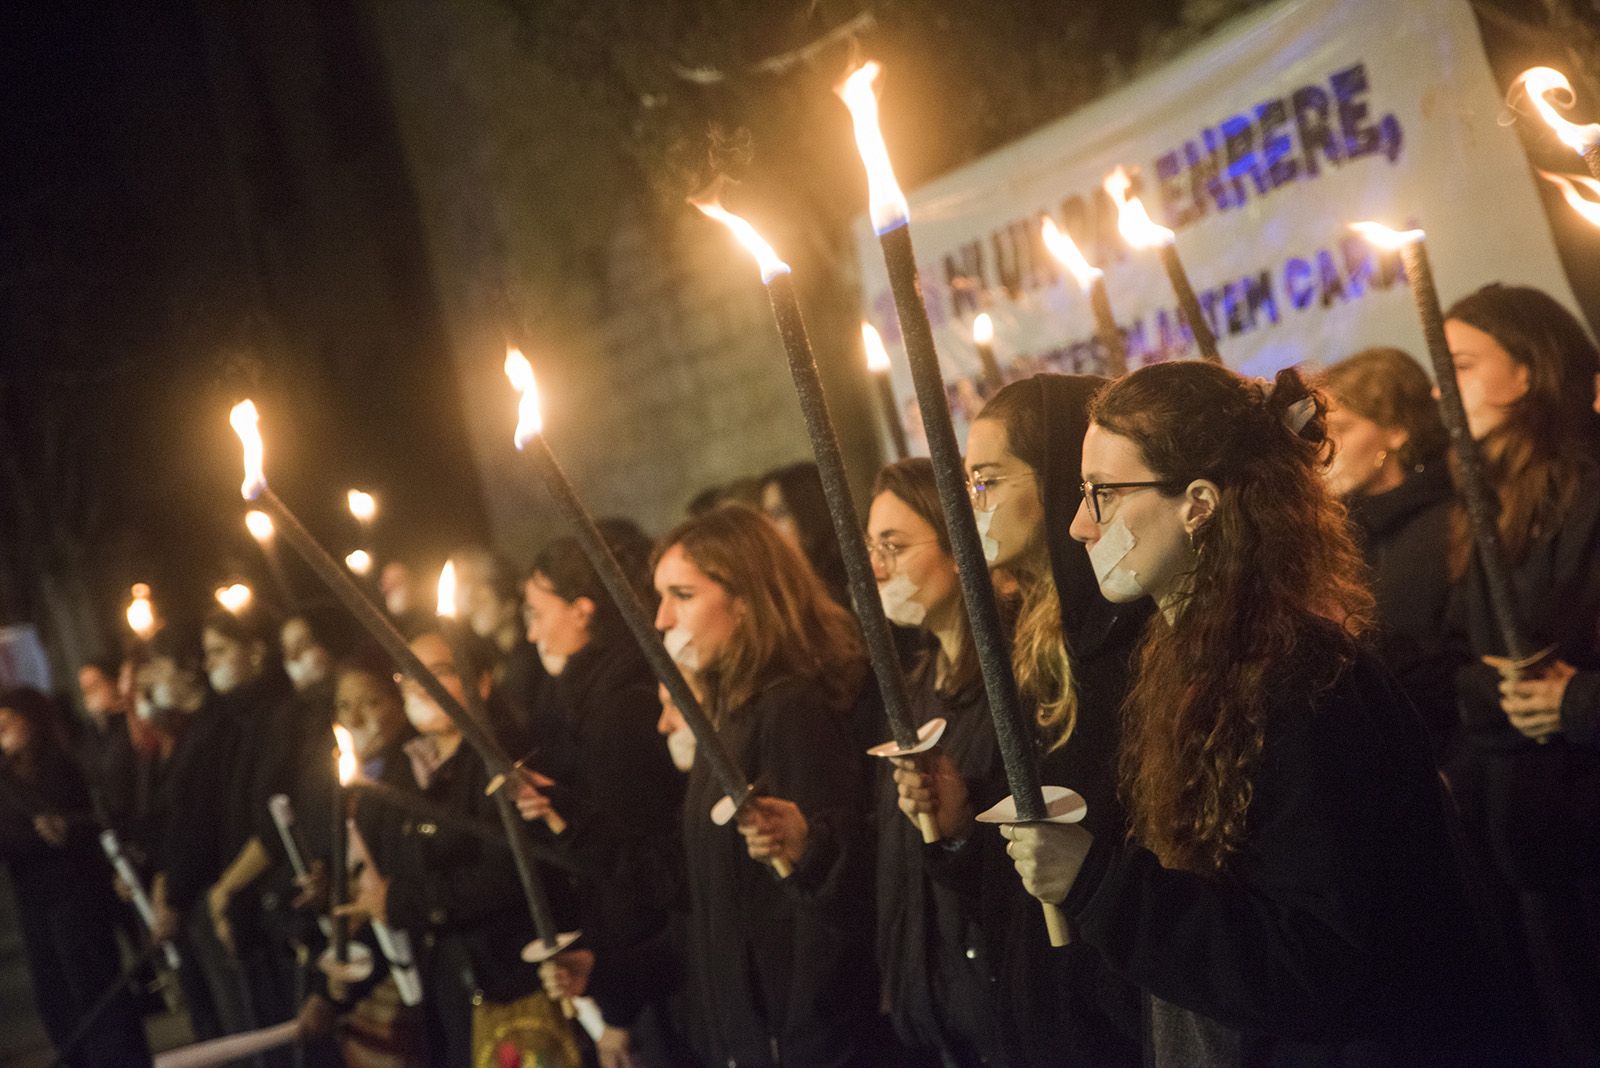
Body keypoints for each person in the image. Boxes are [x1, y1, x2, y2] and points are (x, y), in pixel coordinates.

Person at [1003, 360, 1521, 1065]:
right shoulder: (1189, 662)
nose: (1079, 525)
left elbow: (1321, 959)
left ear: (1199, 503)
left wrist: (1099, 885)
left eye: (1104, 494)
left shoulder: (1300, 682)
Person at [893, 377, 1143, 1066]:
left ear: (1061, 477)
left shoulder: (1121, 641)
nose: (971, 506)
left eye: (989, 481)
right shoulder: (1026, 638)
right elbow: (1021, 888)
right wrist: (959, 828)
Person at [652, 505, 880, 1066]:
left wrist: (799, 1040)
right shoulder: (730, 711)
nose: (660, 619)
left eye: (681, 595)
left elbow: (826, 898)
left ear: (747, 598)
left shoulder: (790, 708)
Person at [1440, 283, 1600, 1063]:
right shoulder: (1486, 502)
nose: (1443, 386)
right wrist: (1498, 693)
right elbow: (1466, 665)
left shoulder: (1589, 485)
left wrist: (1576, 699)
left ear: (1529, 371)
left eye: (1464, 363)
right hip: (1535, 841)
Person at [344, 630, 573, 1068]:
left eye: (439, 672)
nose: (418, 685)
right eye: (409, 673)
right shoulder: (405, 768)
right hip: (447, 986)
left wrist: (402, 900)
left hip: (508, 978)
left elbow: (508, 873)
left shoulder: (504, 759)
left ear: (481, 683)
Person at [517, 527, 691, 1067]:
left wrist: (617, 1005)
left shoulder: (619, 710)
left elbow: (635, 867)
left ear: (583, 611)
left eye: (537, 613)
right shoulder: (582, 696)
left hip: (661, 985)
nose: (530, 634)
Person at [0, 686, 152, 1067]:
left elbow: (105, 818)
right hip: (37, 907)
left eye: (7, 722)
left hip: (80, 899)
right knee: (59, 1002)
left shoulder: (63, 766)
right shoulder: (4, 783)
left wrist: (68, 827)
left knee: (98, 994)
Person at [1319, 348, 1457, 754]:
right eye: (1318, 432)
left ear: (1397, 430)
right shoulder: (1336, 536)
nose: (1324, 449)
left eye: (1341, 429)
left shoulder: (1451, 522)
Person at [760, 461, 849, 605]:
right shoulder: (784, 579)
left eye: (779, 513)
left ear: (808, 513)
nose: (770, 526)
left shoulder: (846, 578)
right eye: (767, 516)